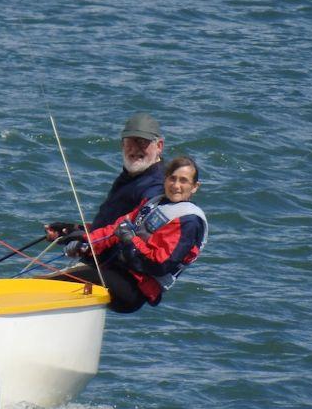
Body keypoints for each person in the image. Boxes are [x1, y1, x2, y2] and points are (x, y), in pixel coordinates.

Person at [56, 156, 208, 313]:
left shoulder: (189, 221)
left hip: (136, 288)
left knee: (67, 280)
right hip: (118, 271)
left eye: (183, 181)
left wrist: (131, 240)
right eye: (172, 178)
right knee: (67, 277)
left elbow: (159, 264)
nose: (176, 185)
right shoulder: (154, 203)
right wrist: (84, 242)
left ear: (195, 186)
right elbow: (116, 229)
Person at [45, 113, 166, 266]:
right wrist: (73, 231)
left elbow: (127, 228)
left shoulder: (156, 186)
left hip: (120, 271)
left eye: (142, 142)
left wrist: (84, 240)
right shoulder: (131, 177)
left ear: (159, 146)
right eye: (129, 142)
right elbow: (110, 225)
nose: (135, 149)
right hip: (100, 262)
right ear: (122, 145)